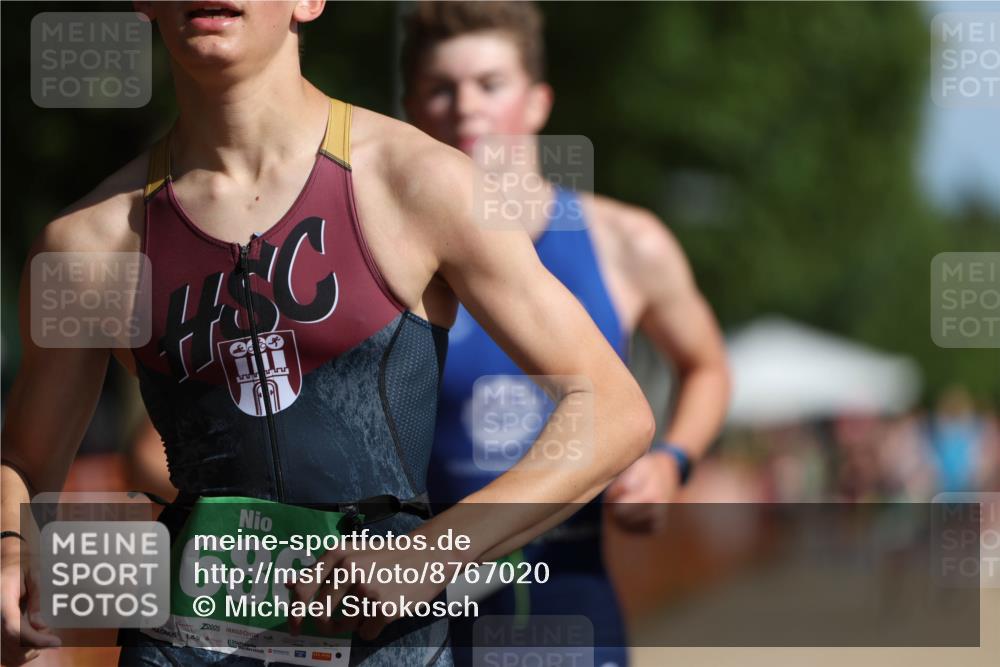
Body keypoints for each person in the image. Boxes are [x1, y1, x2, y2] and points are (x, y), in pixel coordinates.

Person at [0, 2, 655, 666]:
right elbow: (25, 462)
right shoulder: (85, 245)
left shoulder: (421, 182)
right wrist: (11, 553)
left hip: (382, 646)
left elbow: (612, 409)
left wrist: (432, 552)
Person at [401, 3, 730, 665]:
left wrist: (672, 462)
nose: (466, 106)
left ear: (538, 101)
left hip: (573, 603)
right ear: (410, 110)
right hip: (416, 607)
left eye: (490, 83)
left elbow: (707, 365)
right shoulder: (387, 259)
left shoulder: (624, 242)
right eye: (441, 87)